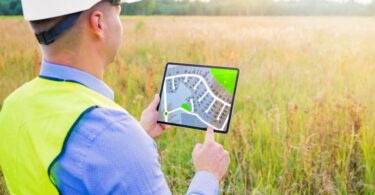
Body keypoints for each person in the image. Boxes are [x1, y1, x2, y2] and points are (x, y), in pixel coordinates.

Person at [0, 0, 230, 194]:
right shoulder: (111, 134)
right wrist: (207, 175)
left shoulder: (12, 106)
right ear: (98, 23)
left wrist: (139, 134)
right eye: (118, 11)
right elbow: (102, 147)